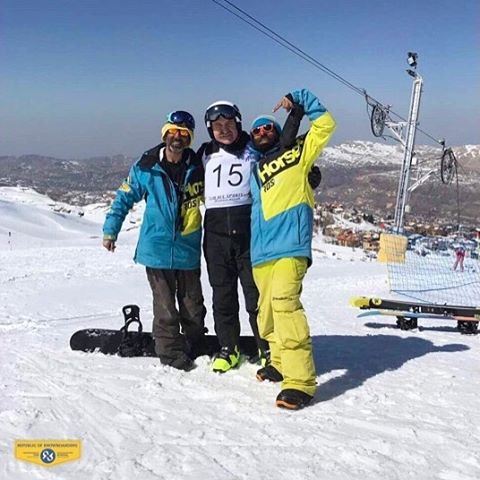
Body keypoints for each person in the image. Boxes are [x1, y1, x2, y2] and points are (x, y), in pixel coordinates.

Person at [249, 88, 336, 410]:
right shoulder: (255, 171)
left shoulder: (299, 154)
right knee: (266, 313)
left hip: (289, 246)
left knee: (285, 306)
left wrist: (300, 101)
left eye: (268, 127)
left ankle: (300, 381)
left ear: (277, 130)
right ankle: (281, 362)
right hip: (261, 251)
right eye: (256, 130)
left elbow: (325, 125)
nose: (262, 132)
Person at [102, 111, 206, 371]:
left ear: (190, 139)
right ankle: (170, 353)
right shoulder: (146, 167)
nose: (177, 137)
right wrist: (110, 230)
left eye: (184, 134)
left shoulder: (200, 167)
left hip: (188, 249)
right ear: (165, 134)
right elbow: (124, 198)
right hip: (156, 249)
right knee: (165, 308)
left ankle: (195, 342)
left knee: (193, 307)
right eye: (173, 131)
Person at [198, 101, 269, 373]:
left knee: (256, 296)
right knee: (223, 296)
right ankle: (229, 348)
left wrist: (308, 175)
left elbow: (281, 162)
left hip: (248, 233)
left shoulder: (253, 148)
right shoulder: (204, 153)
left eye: (228, 125)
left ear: (238, 124)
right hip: (215, 236)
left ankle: (267, 348)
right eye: (217, 127)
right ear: (210, 130)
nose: (224, 130)